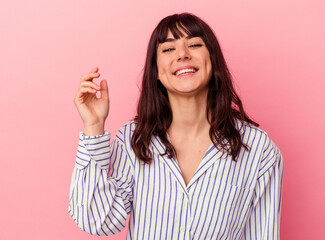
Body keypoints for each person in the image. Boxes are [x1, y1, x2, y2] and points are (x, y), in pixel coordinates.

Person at [69, 12, 283, 239]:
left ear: (213, 60)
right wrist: (93, 126)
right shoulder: (134, 140)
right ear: (156, 72)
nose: (182, 55)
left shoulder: (258, 149)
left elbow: (263, 234)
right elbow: (97, 220)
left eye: (194, 44)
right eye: (168, 49)